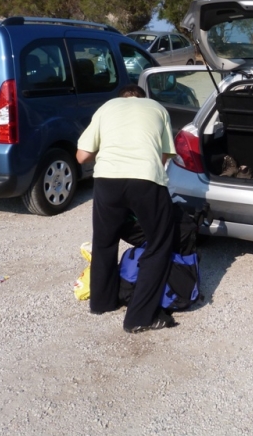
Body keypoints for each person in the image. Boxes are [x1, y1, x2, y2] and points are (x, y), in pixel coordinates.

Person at [76, 84, 178, 333]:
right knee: (160, 243)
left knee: (104, 241)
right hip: (145, 179)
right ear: (141, 98)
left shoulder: (107, 107)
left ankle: (101, 303)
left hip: (106, 180)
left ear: (121, 98)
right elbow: (164, 157)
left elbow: (81, 156)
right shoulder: (157, 108)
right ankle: (140, 317)